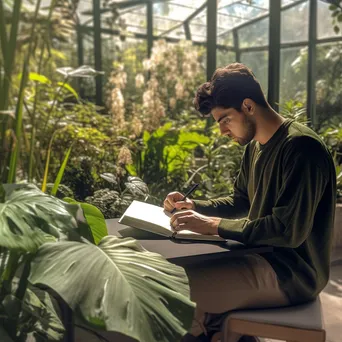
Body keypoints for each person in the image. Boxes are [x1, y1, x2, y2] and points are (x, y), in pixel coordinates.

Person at [163, 63, 336, 342]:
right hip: (258, 257)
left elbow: (286, 230)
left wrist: (214, 226)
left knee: (175, 295)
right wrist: (194, 206)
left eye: (224, 120)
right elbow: (240, 200)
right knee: (173, 278)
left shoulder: (303, 148)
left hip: (291, 273)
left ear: (247, 106)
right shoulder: (255, 146)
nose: (222, 131)